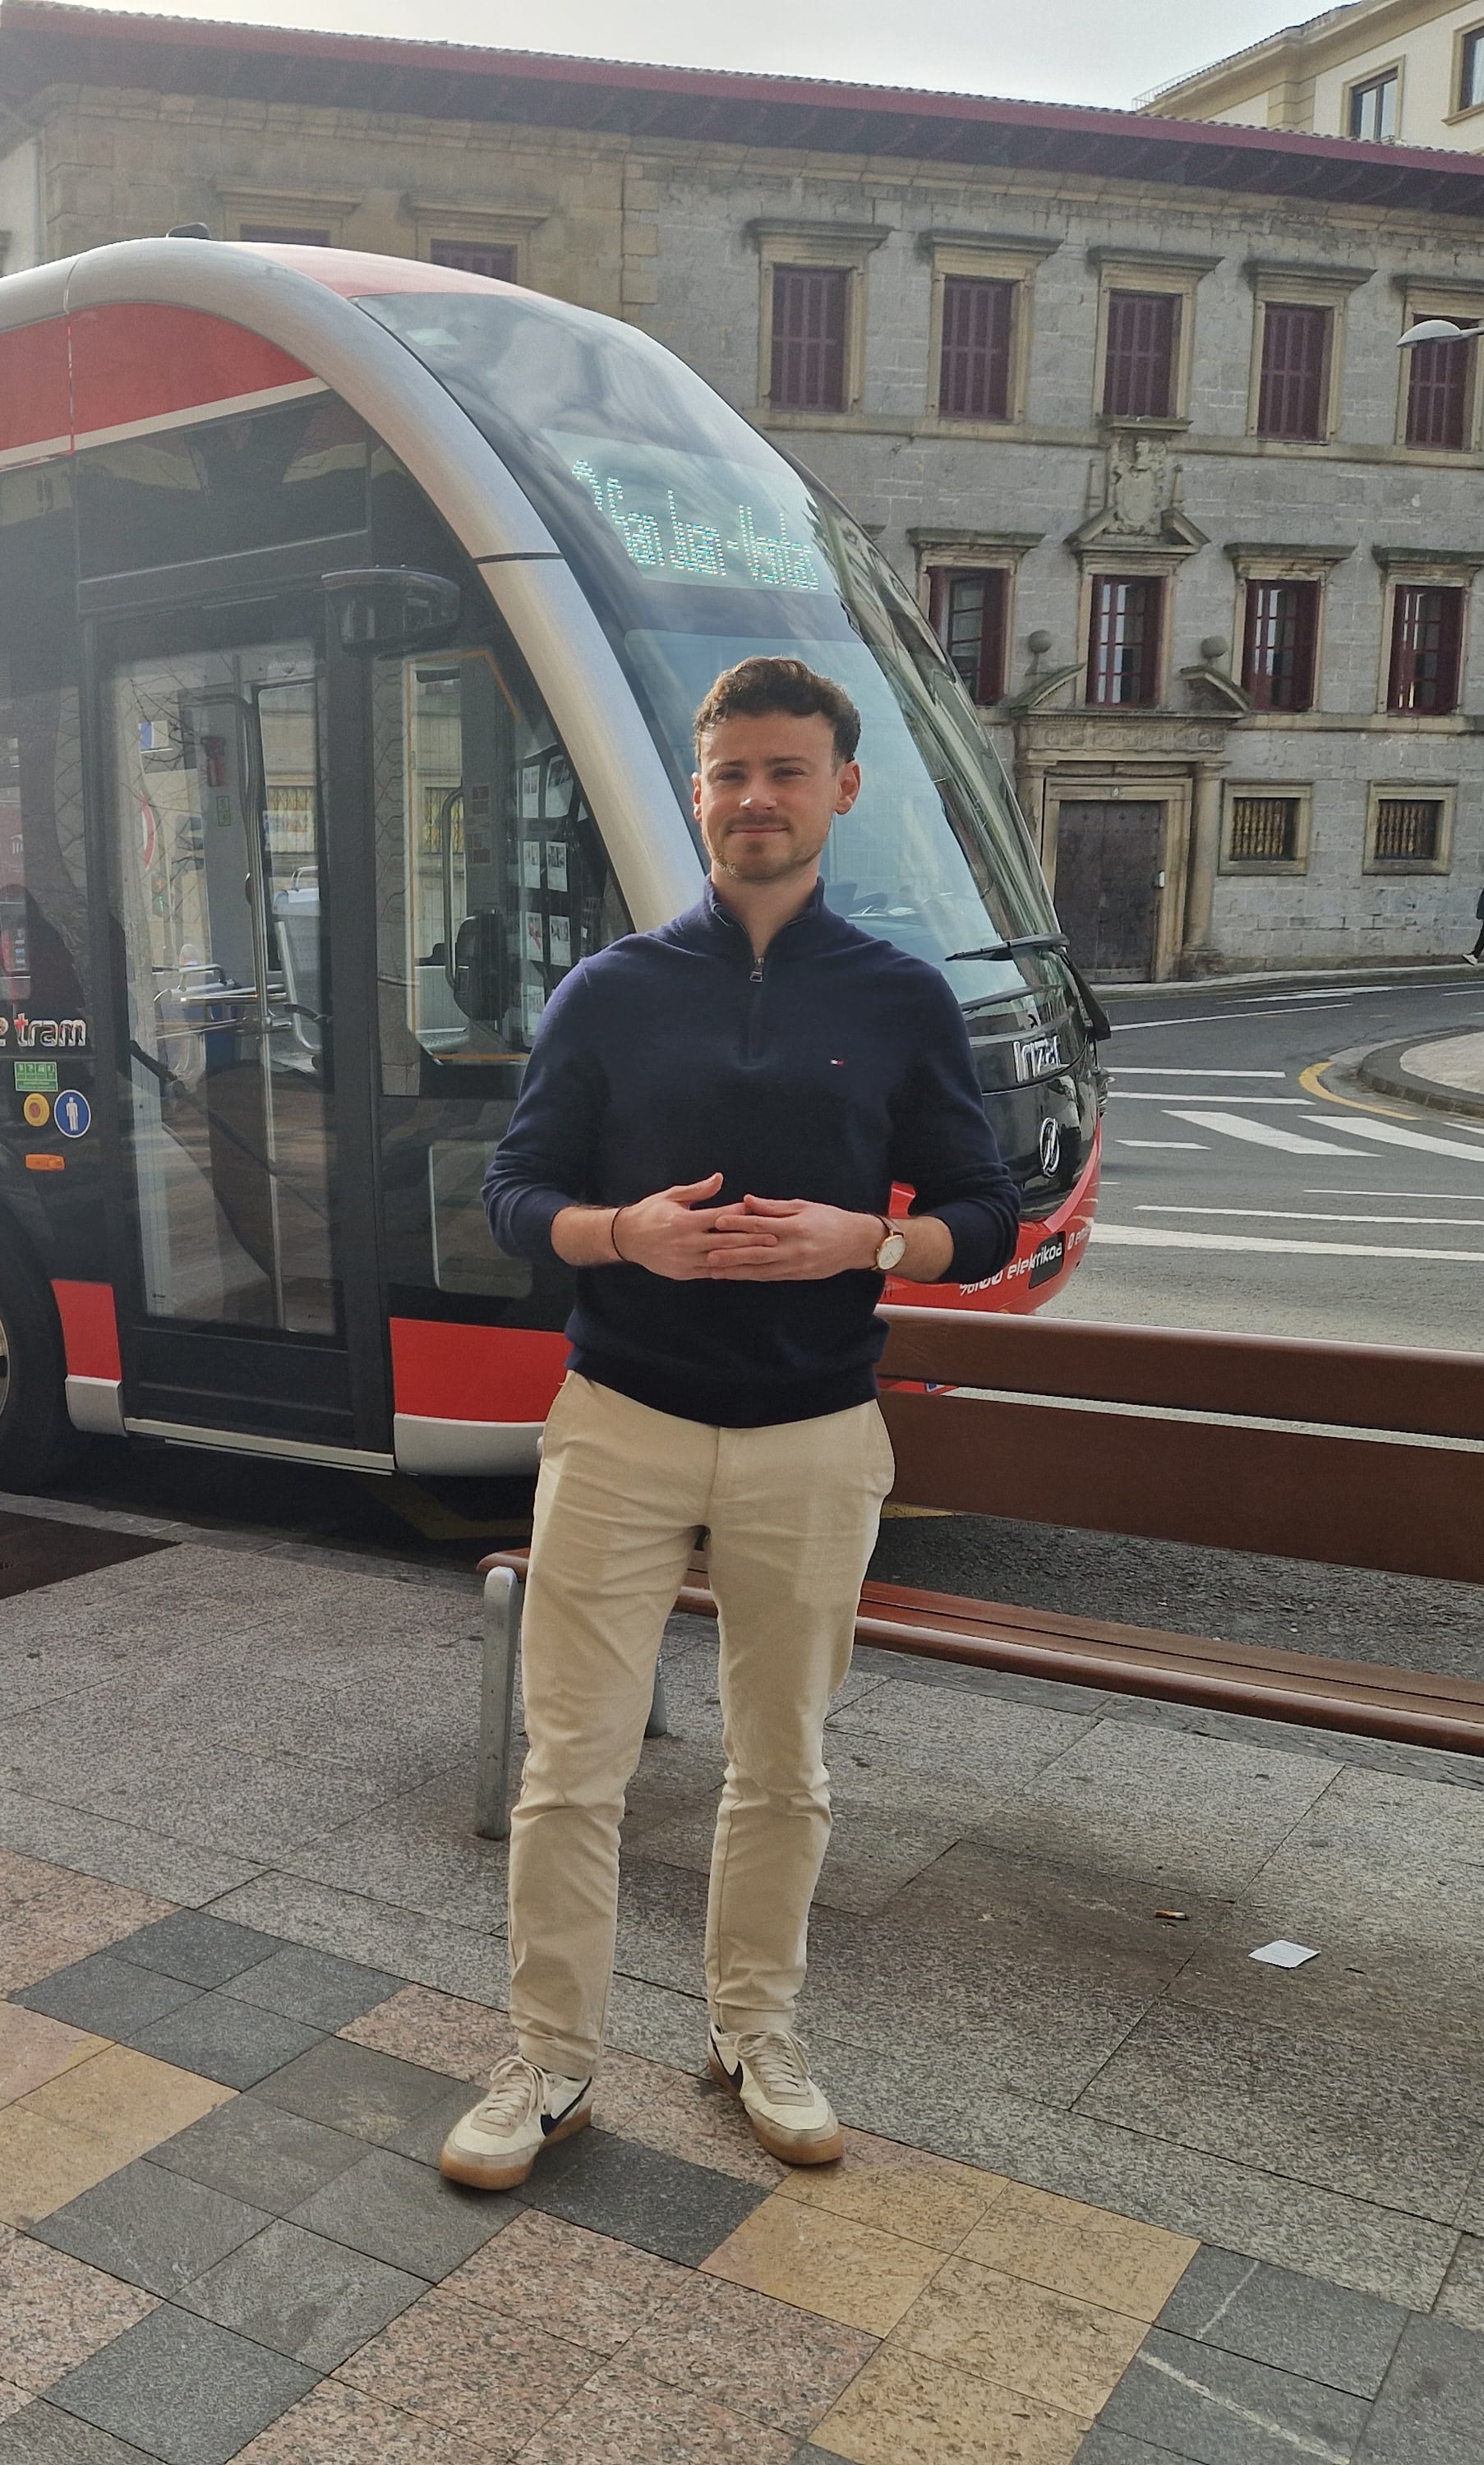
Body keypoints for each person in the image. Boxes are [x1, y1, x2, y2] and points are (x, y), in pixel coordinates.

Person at [444, 657, 1019, 2186]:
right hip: (621, 1419)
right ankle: (550, 2061)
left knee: (787, 1764)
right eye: (730, 773)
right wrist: (619, 1232)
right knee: (570, 1765)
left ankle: (753, 2031)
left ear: (841, 789)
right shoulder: (613, 989)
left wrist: (871, 1245)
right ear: (698, 792)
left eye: (786, 770)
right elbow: (513, 1194)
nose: (755, 798)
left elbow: (988, 1212)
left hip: (815, 1432)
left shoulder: (899, 1000)